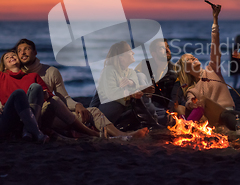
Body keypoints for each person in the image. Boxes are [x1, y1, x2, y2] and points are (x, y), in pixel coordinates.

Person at [14, 38, 148, 138]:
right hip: (28, 117)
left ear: (35, 52)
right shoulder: (14, 75)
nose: (22, 52)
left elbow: (64, 98)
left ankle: (121, 135)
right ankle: (103, 133)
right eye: (19, 51)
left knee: (93, 111)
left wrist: (77, 104)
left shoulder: (51, 72)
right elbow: (2, 96)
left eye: (26, 49)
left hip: (50, 115)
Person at [174, 3, 240, 131]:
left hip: (230, 113)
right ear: (186, 69)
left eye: (193, 56)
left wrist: (215, 20)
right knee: (188, 106)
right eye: (189, 59)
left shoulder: (212, 69)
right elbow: (190, 100)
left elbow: (215, 47)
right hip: (215, 118)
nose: (194, 58)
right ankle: (186, 128)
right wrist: (189, 104)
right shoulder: (192, 89)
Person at [0, 22, 50, 143]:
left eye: (13, 55)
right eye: (7, 57)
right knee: (19, 93)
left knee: (36, 87)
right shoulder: (0, 76)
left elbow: (47, 94)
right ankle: (36, 133)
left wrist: (45, 95)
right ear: (4, 65)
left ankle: (27, 130)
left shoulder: (32, 76)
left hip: (27, 119)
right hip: (6, 122)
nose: (11, 57)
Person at [97, 41, 155, 127]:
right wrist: (131, 95)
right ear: (120, 57)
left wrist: (144, 88)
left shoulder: (130, 71)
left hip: (123, 108)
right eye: (129, 51)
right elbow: (111, 94)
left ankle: (149, 121)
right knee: (118, 104)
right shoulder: (109, 71)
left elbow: (135, 86)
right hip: (107, 109)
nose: (133, 52)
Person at [134, 38, 178, 116]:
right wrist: (143, 88)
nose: (167, 50)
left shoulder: (175, 71)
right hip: (144, 103)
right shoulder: (144, 65)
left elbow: (176, 97)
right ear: (153, 53)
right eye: (162, 48)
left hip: (164, 109)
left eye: (167, 47)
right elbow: (132, 83)